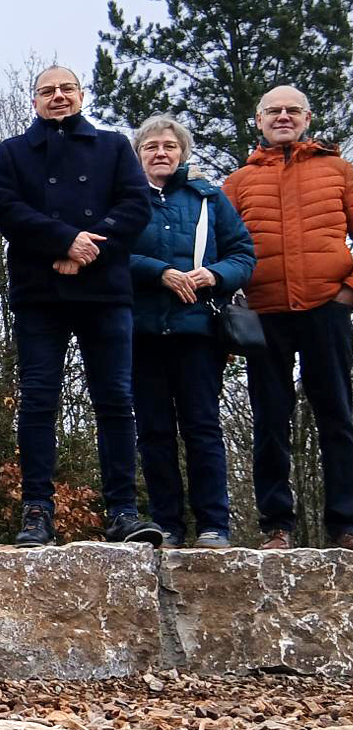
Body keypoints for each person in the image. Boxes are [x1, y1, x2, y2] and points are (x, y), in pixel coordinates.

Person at [0, 67, 162, 546]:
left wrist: (89, 249)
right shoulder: (12, 153)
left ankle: (123, 510)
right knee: (39, 400)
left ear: (82, 95)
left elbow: (134, 206)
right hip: (39, 293)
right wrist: (64, 242)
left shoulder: (113, 147)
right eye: (48, 91)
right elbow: (6, 210)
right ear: (35, 101)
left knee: (115, 400)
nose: (58, 97)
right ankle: (37, 510)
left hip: (105, 290)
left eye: (66, 89)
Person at [224, 85, 353, 548]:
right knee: (269, 419)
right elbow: (218, 244)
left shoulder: (339, 171)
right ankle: (276, 525)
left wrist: (348, 291)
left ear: (307, 118)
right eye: (273, 111)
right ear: (258, 120)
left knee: (337, 415)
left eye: (292, 110)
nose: (283, 116)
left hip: (326, 310)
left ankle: (345, 523)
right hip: (265, 314)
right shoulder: (238, 183)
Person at [129, 117, 256, 548]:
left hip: (197, 331)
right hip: (140, 331)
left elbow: (243, 253)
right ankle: (166, 523)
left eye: (169, 146)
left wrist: (214, 276)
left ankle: (214, 524)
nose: (160, 153)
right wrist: (159, 272)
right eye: (151, 147)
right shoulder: (125, 200)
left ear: (182, 153)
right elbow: (111, 253)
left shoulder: (208, 199)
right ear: (138, 154)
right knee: (153, 431)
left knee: (202, 427)